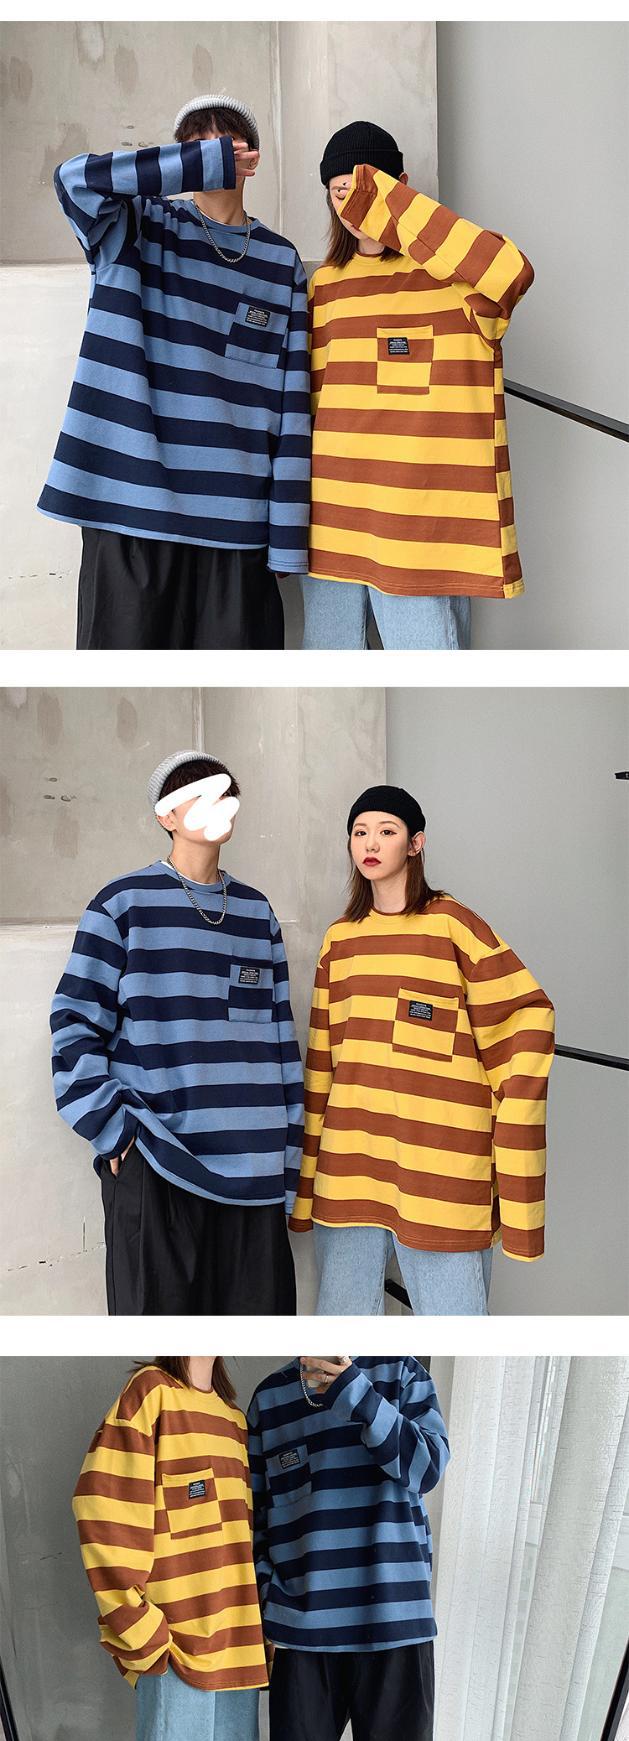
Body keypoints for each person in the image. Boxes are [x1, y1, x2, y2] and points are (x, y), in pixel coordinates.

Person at [38, 93, 310, 649]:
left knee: (243, 675)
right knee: (122, 673)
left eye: (223, 142)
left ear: (251, 156)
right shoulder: (135, 225)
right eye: (196, 147)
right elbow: (72, 180)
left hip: (237, 525)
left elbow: (293, 409)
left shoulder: (281, 262)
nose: (211, 155)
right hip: (130, 510)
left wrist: (287, 541)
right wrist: (201, 164)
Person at [50, 750, 304, 1314]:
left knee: (252, 1338)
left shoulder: (256, 913)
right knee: (160, 1343)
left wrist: (291, 1165)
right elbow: (74, 1021)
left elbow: (280, 1042)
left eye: (225, 794)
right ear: (166, 816)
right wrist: (115, 1129)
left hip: (255, 1171)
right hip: (158, 1160)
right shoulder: (122, 905)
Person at [289, 784, 554, 1313]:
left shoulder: (452, 925)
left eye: (386, 831)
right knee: (340, 1330)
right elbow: (322, 1065)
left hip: (442, 1170)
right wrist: (308, 1178)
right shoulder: (340, 940)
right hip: (351, 1164)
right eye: (359, 832)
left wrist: (509, 1121)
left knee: (456, 1328)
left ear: (415, 843)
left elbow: (526, 1016)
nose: (370, 843)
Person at [72, 1355, 284, 1741]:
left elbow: (246, 1533)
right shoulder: (151, 1394)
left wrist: (261, 1620)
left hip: (236, 1625)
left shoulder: (232, 1417)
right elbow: (102, 1501)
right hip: (178, 1635)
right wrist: (139, 1626)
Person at [303, 120, 533, 650]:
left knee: (429, 676)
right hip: (331, 525)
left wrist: (396, 209)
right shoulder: (323, 287)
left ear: (402, 190)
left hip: (422, 533)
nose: (354, 206)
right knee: (328, 678)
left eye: (371, 190)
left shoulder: (456, 281)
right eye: (341, 191)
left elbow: (513, 271)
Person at [247, 1353, 450, 1741]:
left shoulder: (401, 1374)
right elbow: (259, 1512)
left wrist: (357, 1394)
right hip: (304, 1612)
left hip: (395, 1606)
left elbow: (427, 1467)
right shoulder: (270, 1399)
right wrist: (267, 1600)